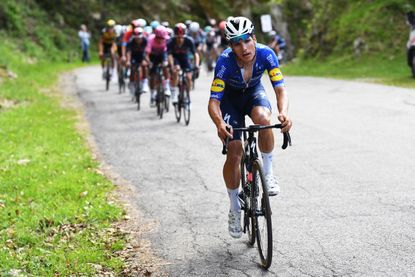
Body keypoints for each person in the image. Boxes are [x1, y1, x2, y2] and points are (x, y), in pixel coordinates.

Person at [207, 17, 292, 238]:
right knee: (235, 151)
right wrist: (219, 123)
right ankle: (234, 206)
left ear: (254, 38)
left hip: (254, 94)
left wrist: (284, 113)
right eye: (236, 43)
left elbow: (280, 89)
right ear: (231, 46)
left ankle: (269, 172)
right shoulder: (225, 62)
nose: (243, 47)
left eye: (246, 40)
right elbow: (214, 102)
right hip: (230, 102)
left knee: (264, 119)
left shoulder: (267, 54)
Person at [167, 23, 200, 104]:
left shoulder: (189, 40)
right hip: (175, 58)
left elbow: (195, 54)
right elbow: (169, 55)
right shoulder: (171, 41)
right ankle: (174, 93)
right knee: (176, 71)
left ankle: (187, 96)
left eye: (182, 37)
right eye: (178, 37)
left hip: (184, 58)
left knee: (189, 77)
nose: (180, 39)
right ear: (175, 35)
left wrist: (196, 65)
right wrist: (171, 66)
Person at [146, 25, 171, 104]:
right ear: (156, 36)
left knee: (165, 66)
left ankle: (167, 87)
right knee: (152, 75)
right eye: (159, 38)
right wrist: (149, 62)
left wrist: (168, 62)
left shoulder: (167, 40)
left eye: (162, 38)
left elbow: (169, 53)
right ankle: (152, 93)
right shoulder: (150, 40)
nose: (161, 40)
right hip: (153, 56)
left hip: (163, 54)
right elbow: (147, 54)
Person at [126, 27, 148, 97]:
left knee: (144, 66)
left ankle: (145, 82)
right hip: (133, 56)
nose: (138, 40)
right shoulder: (131, 41)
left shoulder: (145, 40)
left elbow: (147, 52)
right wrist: (128, 61)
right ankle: (132, 84)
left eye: (139, 38)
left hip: (142, 55)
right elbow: (129, 52)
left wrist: (146, 60)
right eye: (136, 38)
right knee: (132, 69)